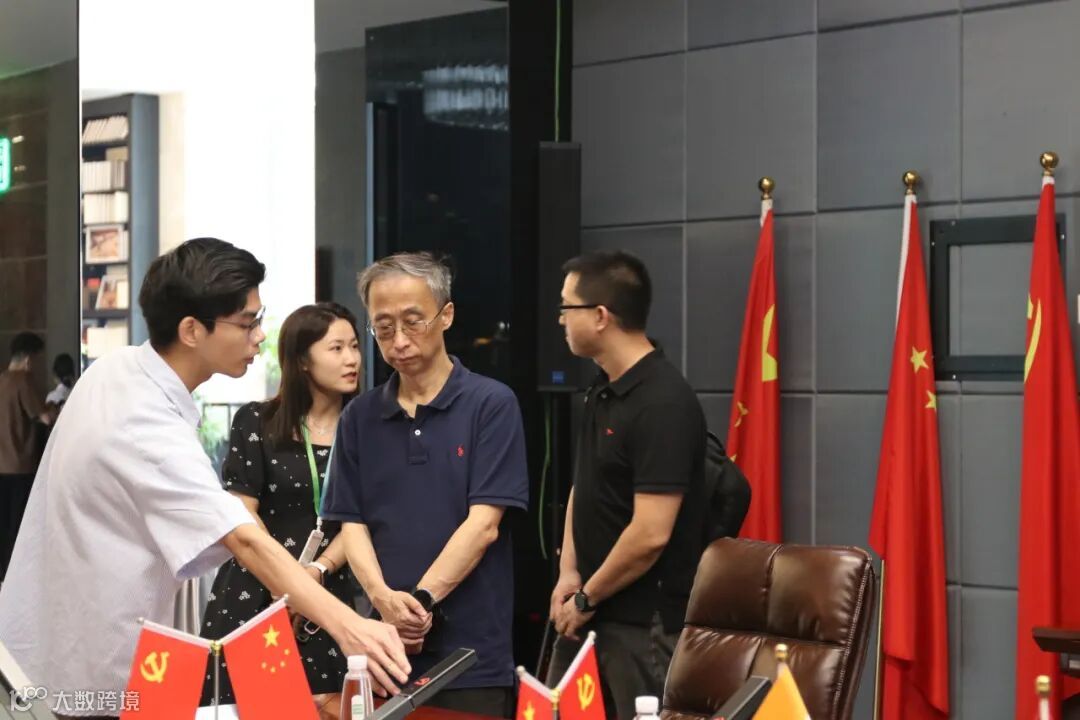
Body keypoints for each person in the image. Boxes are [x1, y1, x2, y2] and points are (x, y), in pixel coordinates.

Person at [0, 238, 408, 720]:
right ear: (192, 330)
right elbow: (244, 538)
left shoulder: (117, 370)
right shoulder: (145, 424)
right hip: (94, 680)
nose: (260, 335)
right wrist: (351, 627)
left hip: (59, 656)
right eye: (248, 322)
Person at [322, 252, 529, 719]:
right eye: (383, 327)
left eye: (413, 322)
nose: (399, 340)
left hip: (470, 658)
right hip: (381, 652)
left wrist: (418, 602)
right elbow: (351, 523)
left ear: (446, 315)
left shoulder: (491, 404)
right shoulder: (359, 417)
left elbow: (484, 525)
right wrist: (382, 601)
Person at [546, 250, 707, 719]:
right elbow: (584, 485)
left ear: (600, 316)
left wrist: (587, 596)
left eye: (567, 307)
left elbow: (650, 532)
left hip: (642, 626)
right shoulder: (603, 389)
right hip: (587, 610)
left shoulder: (663, 402)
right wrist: (569, 573)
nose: (560, 319)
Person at [200, 302, 362, 705]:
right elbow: (243, 510)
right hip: (256, 589)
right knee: (242, 706)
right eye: (337, 348)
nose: (352, 359)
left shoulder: (366, 430)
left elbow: (361, 520)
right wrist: (284, 581)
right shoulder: (257, 421)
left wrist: (317, 572)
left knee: (329, 704)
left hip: (328, 594)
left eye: (355, 346)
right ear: (302, 360)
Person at [0, 332, 53, 583]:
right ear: (29, 359)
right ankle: (16, 579)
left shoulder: (2, 380)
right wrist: (54, 408)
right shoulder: (24, 381)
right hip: (21, 466)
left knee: (3, 524)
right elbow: (44, 418)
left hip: (1, 466)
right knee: (19, 527)